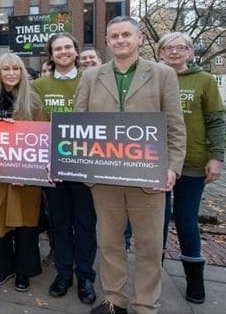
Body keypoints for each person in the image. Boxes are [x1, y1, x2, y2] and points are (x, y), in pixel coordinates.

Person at [74, 16, 186, 314]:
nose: (120, 40)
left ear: (139, 39)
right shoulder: (90, 76)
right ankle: (115, 300)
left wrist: (172, 167)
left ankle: (146, 304)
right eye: (114, 36)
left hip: (148, 177)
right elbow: (77, 124)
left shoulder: (163, 75)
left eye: (126, 35)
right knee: (109, 243)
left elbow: (175, 127)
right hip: (104, 178)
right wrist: (71, 162)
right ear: (107, 41)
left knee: (149, 248)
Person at [157, 32, 224, 304]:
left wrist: (216, 156)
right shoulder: (153, 77)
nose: (175, 52)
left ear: (190, 51)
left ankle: (194, 278)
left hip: (192, 161)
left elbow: (216, 120)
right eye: (169, 48)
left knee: (186, 221)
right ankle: (154, 277)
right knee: (156, 223)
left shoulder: (205, 80)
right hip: (155, 160)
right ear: (160, 52)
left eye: (181, 47)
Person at [0, 52, 45, 293]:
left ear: (22, 72)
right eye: (6, 69)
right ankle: (2, 267)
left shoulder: (33, 100)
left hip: (22, 176)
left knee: (24, 224)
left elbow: (42, 136)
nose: (11, 73)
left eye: (16, 69)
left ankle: (24, 270)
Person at [34, 34, 97, 304]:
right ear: (51, 53)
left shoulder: (93, 80)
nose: (63, 52)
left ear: (75, 51)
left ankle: (85, 277)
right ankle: (63, 274)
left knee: (85, 225)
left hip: (87, 164)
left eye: (67, 47)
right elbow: (37, 125)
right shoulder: (39, 85)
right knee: (59, 225)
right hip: (54, 166)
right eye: (57, 48)